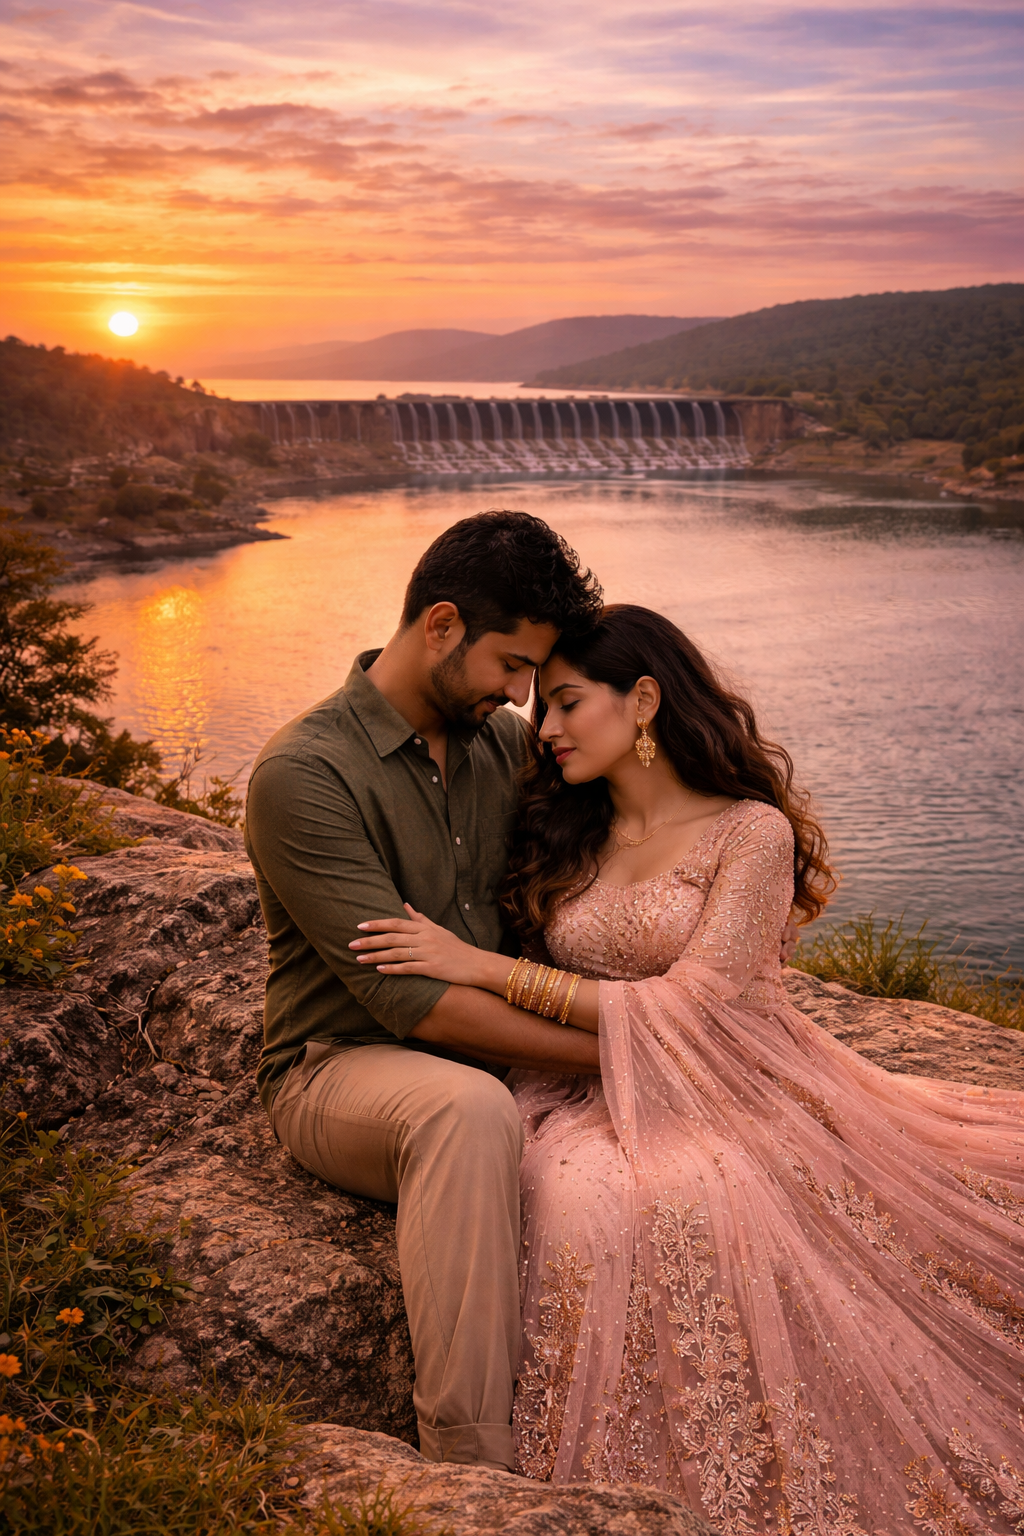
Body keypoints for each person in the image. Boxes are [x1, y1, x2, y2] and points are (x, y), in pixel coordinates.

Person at [353, 604, 1024, 1535]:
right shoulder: (561, 824)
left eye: (566, 705)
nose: (542, 732)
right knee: (577, 1194)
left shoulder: (751, 833)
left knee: (706, 1191)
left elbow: (702, 1006)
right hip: (572, 1085)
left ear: (645, 700)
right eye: (539, 707)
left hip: (730, 1074)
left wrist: (487, 970)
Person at [245, 510, 604, 1472]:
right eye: (512, 665)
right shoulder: (304, 772)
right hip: (340, 1069)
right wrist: (623, 1049)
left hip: (497, 1050)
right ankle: (469, 1469)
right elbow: (416, 1006)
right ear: (440, 625)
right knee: (466, 1111)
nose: (524, 696)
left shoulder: (495, 746)